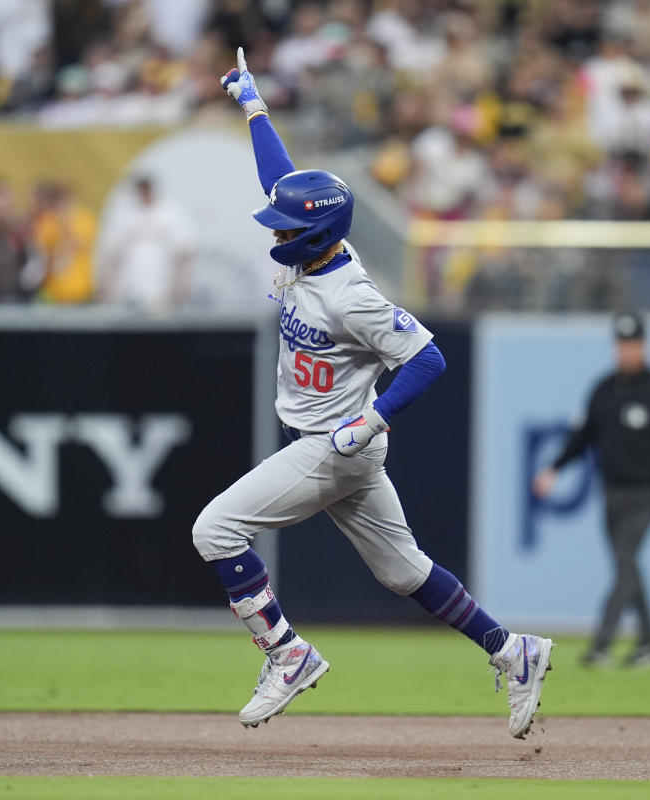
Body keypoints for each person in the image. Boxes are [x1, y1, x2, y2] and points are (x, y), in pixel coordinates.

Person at [192, 48, 552, 738]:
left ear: (317, 235)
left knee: (215, 529)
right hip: (337, 445)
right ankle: (516, 651)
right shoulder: (319, 250)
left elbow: (428, 357)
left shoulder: (350, 294)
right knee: (405, 572)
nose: (277, 232)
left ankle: (287, 653)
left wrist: (374, 419)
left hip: (335, 445)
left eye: (288, 228)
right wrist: (254, 105)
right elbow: (282, 183)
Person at [531, 311, 650, 670]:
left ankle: (601, 644)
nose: (626, 351)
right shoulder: (604, 389)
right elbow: (581, 436)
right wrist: (554, 468)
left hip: (648, 492)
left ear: (644, 346)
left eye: (632, 344)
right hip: (612, 491)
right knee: (627, 566)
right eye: (621, 344)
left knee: (625, 561)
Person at [97, 175, 195, 313]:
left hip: (161, 279)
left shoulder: (169, 212)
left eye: (146, 191)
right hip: (130, 282)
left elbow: (185, 247)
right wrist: (107, 284)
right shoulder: (125, 213)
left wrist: (180, 285)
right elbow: (111, 248)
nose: (143, 195)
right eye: (140, 192)